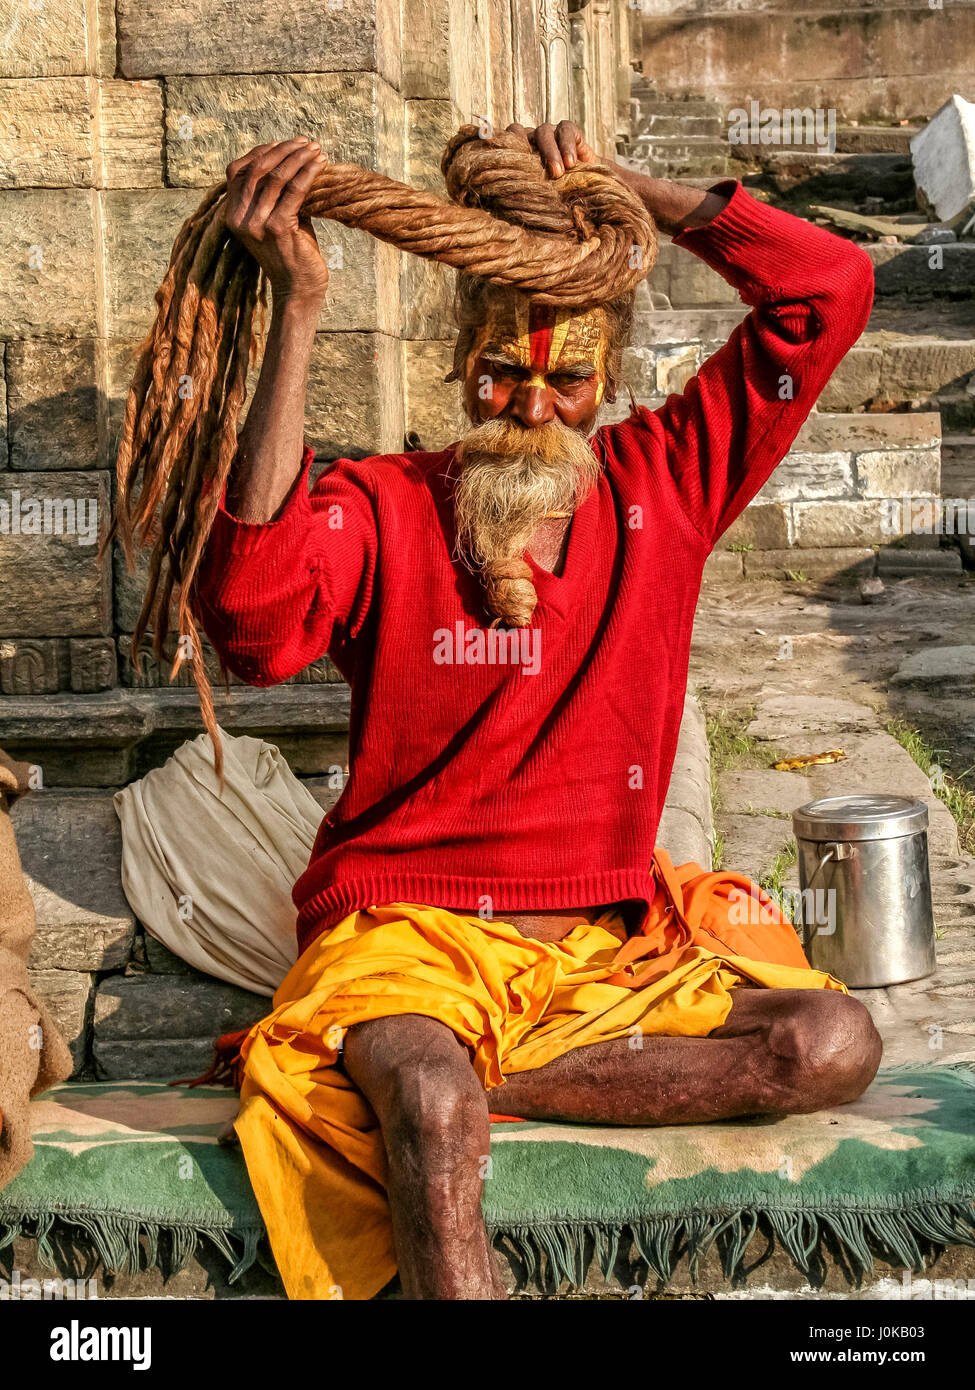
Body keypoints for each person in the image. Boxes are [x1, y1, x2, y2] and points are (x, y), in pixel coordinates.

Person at [195, 120, 882, 1300]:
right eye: (502, 373)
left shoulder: (666, 484)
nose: (533, 405)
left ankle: (485, 1072)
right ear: (462, 365)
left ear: (605, 382)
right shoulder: (384, 503)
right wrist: (296, 310)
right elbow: (253, 631)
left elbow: (830, 286)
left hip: (600, 960)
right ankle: (442, 1080)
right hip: (406, 946)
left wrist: (631, 193)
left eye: (569, 380)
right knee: (430, 1100)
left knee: (831, 1042)